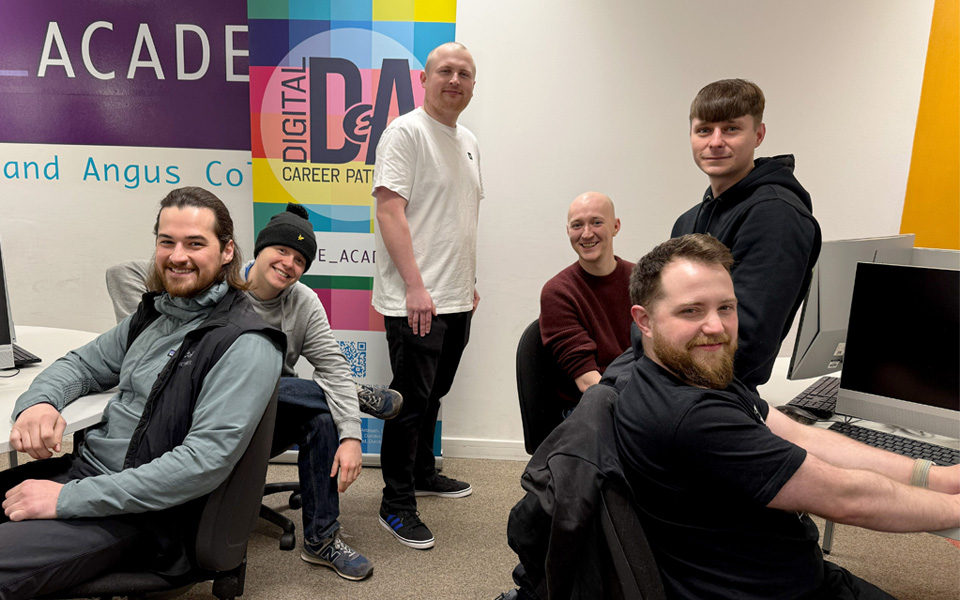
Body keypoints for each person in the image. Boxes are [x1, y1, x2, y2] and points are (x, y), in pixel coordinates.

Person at [615, 233, 960, 599]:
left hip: (789, 574)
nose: (716, 326)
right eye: (691, 310)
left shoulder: (691, 373)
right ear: (645, 321)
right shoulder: (690, 417)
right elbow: (847, 497)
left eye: (726, 307)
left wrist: (936, 478)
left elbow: (802, 436)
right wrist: (954, 508)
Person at [0, 187, 285, 599]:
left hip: (144, 516)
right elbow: (80, 364)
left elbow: (200, 464)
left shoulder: (245, 343)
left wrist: (67, 499)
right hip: (84, 476)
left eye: (195, 243)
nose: (177, 255)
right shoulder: (158, 315)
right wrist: (40, 402)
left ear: (227, 252)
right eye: (166, 242)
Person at [104, 203, 401, 581]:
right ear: (258, 250)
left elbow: (332, 364)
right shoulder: (217, 286)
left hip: (268, 419)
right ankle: (340, 393)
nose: (288, 263)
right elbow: (120, 272)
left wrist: (352, 436)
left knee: (321, 418)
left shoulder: (302, 302)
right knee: (259, 378)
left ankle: (321, 540)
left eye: (299, 259)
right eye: (281, 251)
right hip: (206, 415)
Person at [603, 79, 821, 392]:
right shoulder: (688, 221)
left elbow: (746, 341)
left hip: (712, 395)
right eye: (704, 130)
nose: (715, 142)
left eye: (731, 129)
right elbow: (651, 322)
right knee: (597, 400)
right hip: (668, 379)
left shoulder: (777, 216)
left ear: (758, 135)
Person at [371, 41, 482, 550]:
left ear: (472, 84)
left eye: (464, 73)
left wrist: (466, 281)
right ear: (424, 78)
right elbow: (390, 212)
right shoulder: (406, 132)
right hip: (418, 299)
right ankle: (394, 505)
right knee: (411, 401)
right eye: (445, 71)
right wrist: (417, 286)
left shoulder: (469, 140)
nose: (454, 80)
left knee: (435, 393)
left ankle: (420, 472)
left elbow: (455, 217)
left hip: (455, 296)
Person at [539, 192, 632, 408]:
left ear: (616, 226)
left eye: (597, 222)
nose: (587, 234)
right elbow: (588, 381)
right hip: (589, 406)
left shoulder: (643, 282)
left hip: (638, 395)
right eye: (577, 225)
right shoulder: (558, 292)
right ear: (568, 231)